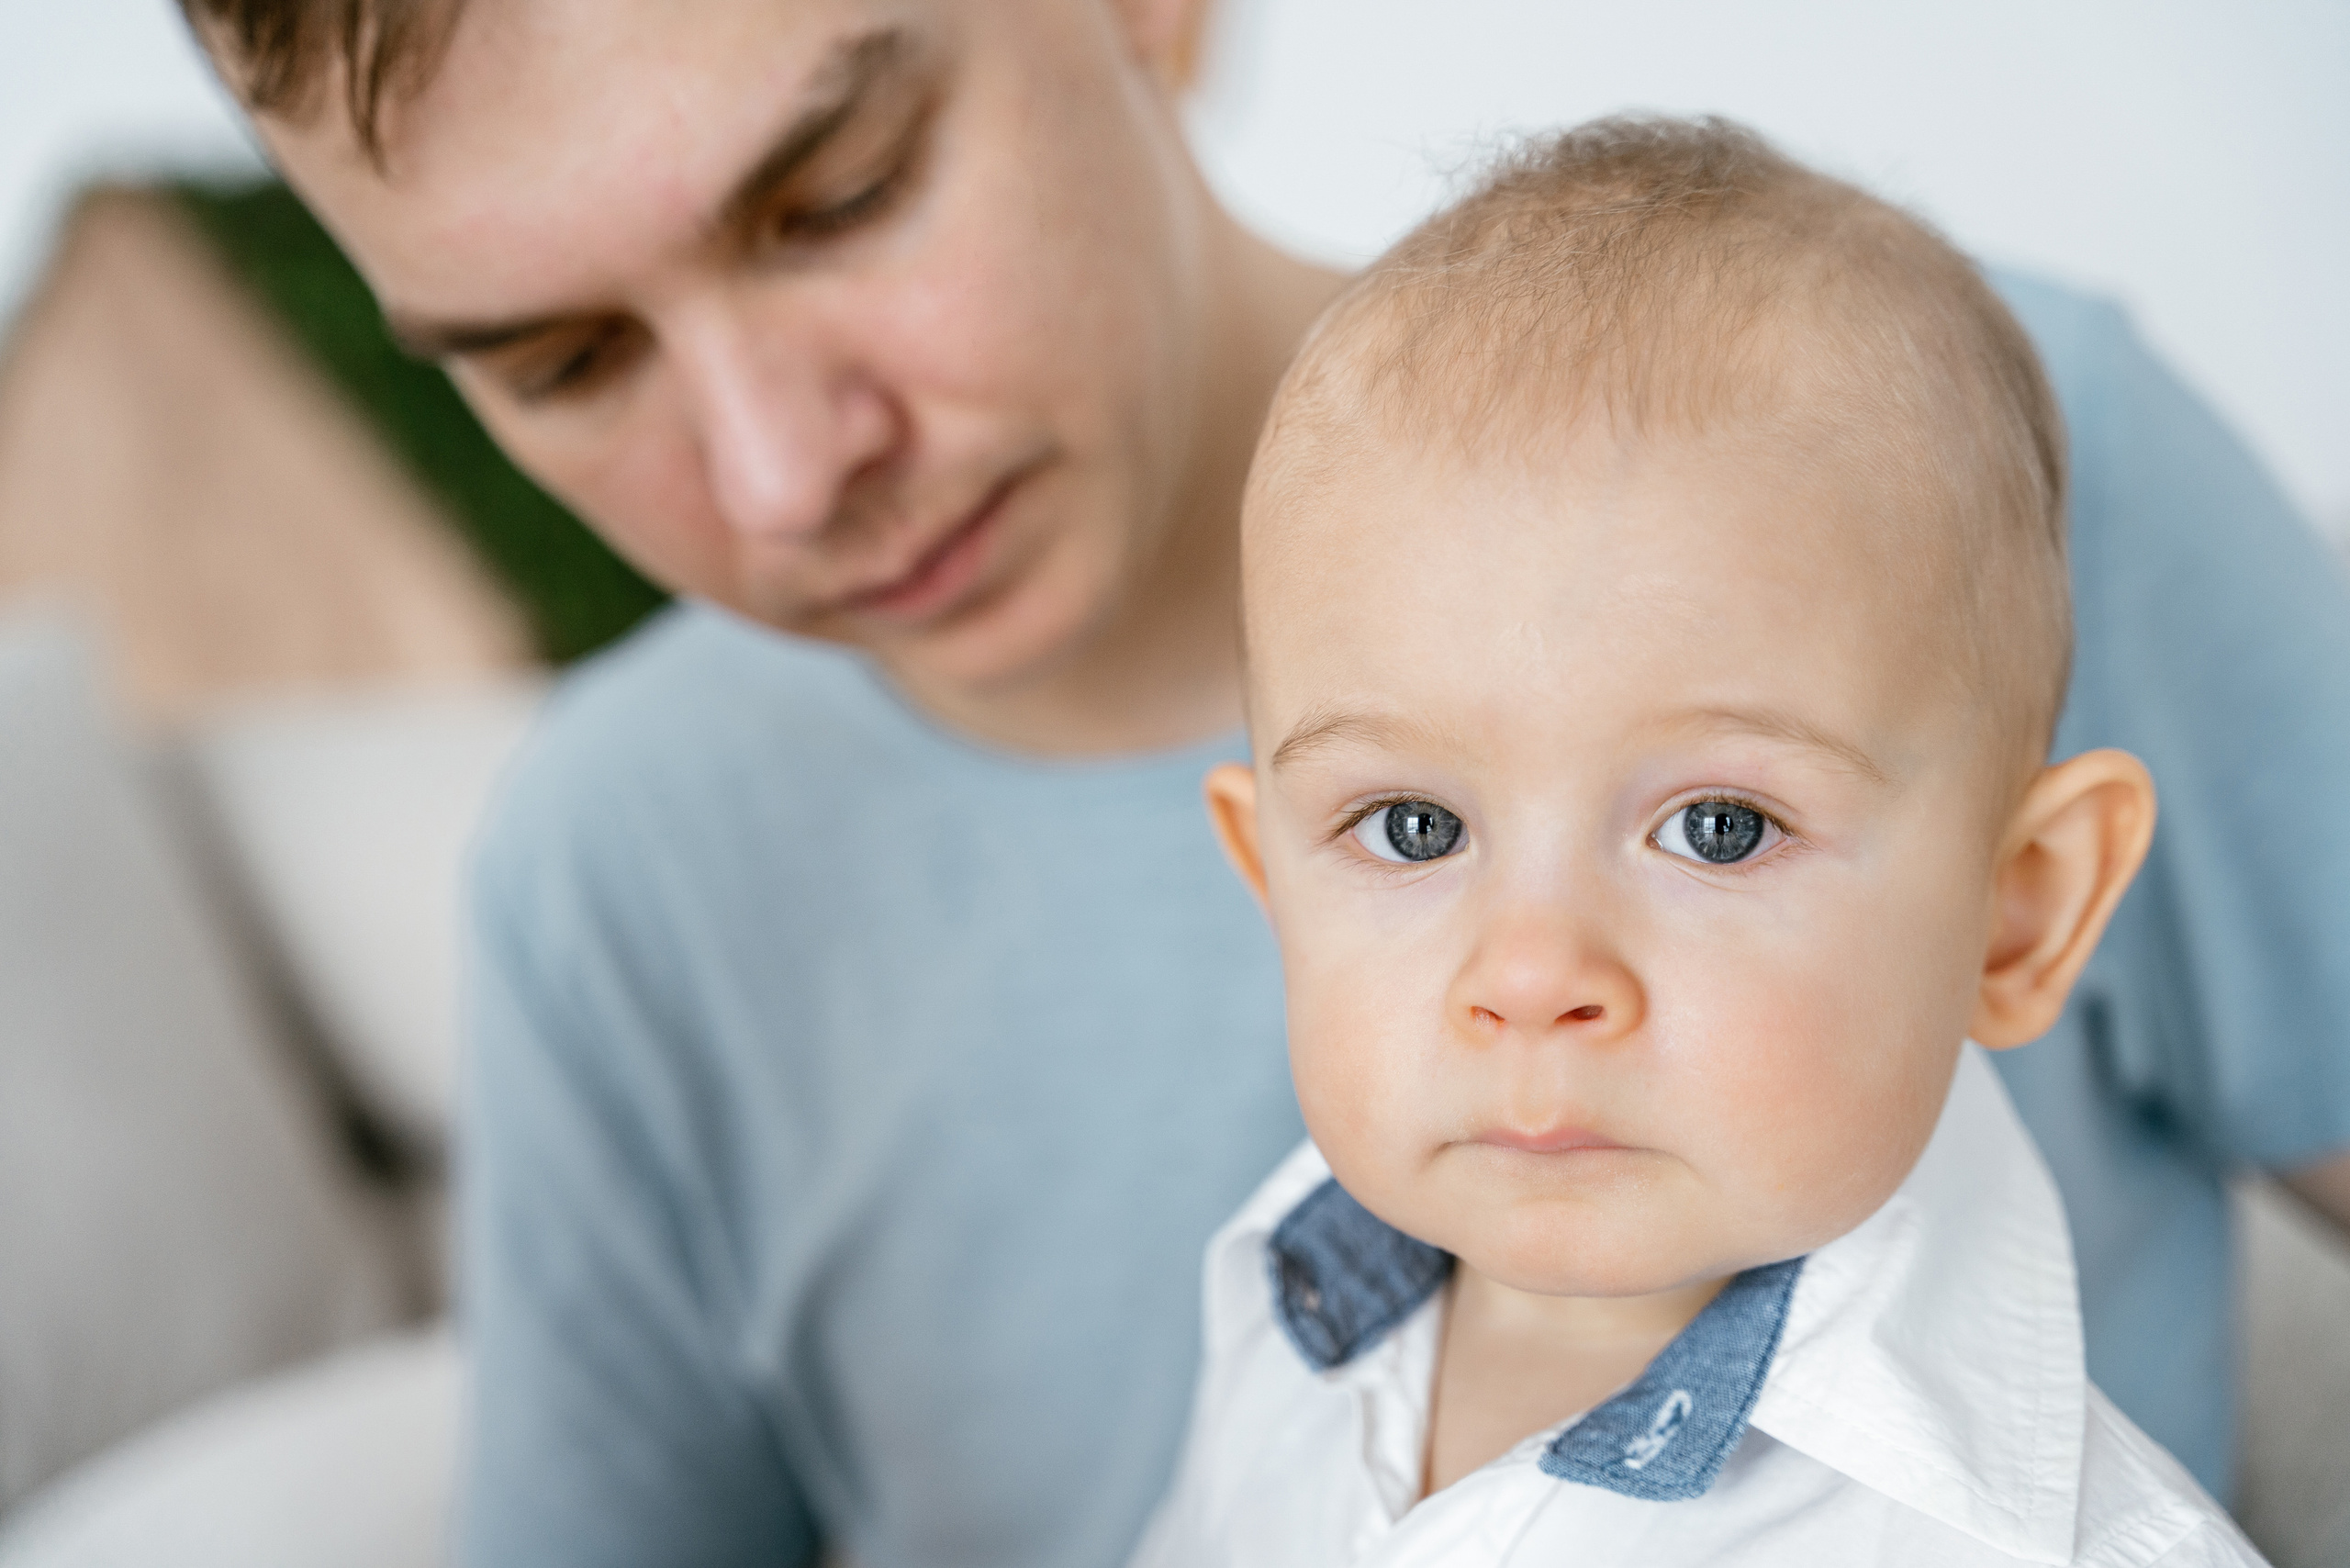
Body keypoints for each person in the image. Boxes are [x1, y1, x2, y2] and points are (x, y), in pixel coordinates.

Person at [172, 1, 2350, 1562]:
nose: (778, 471)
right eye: (565, 360)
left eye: (840, 195)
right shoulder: (611, 869)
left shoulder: (1981, 472)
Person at [1134, 116, 2261, 1568]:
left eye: (1718, 830)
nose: (1532, 974)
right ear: (1272, 885)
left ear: (2018, 911)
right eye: (1415, 828)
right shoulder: (1280, 1326)